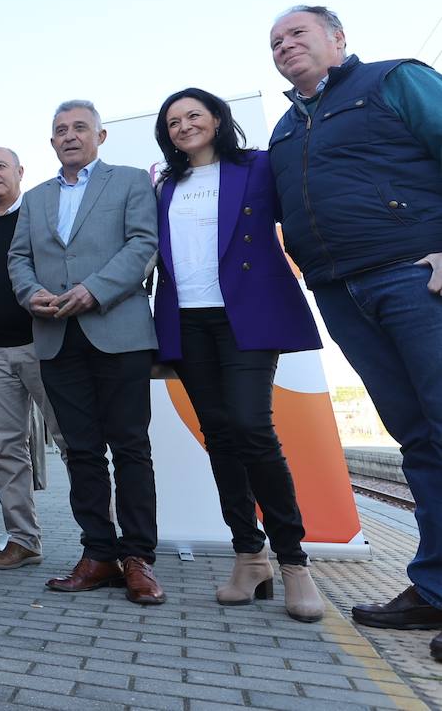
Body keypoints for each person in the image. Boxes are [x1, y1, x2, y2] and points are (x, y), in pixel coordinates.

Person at [265, 7, 442, 653]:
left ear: (338, 39)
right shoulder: (285, 131)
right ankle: (435, 590)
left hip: (417, 277)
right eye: (275, 41)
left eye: (298, 33)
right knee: (419, 438)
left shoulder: (396, 81)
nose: (285, 45)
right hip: (342, 293)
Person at [152, 88, 323, 621]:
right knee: (220, 434)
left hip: (246, 313)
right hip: (188, 319)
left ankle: (294, 562)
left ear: (218, 119)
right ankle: (249, 556)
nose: (184, 126)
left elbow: (300, 218)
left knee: (252, 427)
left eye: (194, 115)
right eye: (174, 121)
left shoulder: (258, 167)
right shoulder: (165, 185)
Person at [8, 100, 165, 605]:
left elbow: (144, 245)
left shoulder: (130, 182)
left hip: (117, 330)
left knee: (130, 448)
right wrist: (29, 292)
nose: (70, 136)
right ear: (51, 142)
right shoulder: (33, 199)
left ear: (100, 136)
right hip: (56, 337)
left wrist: (95, 289)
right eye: (60, 130)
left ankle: (138, 557)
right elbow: (18, 258)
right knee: (81, 451)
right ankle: (97, 554)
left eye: (80, 128)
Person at [0, 147, 64, 570]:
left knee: (73, 440)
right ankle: (23, 538)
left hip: (43, 345)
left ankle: (102, 540)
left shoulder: (40, 217)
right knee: (5, 448)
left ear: (20, 172)